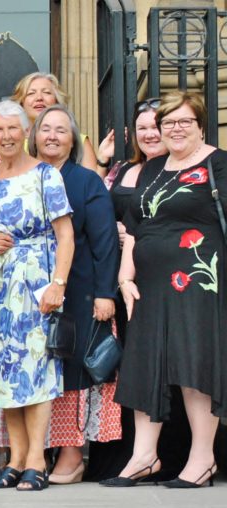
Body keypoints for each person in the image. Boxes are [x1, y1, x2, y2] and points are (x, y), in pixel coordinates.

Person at [104, 91, 227, 489]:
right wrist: (125, 278)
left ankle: (202, 458)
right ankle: (144, 456)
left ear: (201, 125)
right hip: (147, 283)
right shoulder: (155, 167)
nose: (174, 129)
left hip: (198, 277)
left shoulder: (218, 163)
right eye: (168, 123)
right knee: (145, 363)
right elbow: (135, 228)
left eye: (183, 122)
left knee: (193, 365)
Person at [0, 100, 74, 491]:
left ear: (26, 132)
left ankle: (36, 460)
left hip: (35, 286)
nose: (7, 136)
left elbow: (65, 235)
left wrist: (58, 283)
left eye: (14, 129)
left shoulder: (46, 175)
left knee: (36, 371)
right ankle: (15, 458)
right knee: (3, 375)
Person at [88, 98, 190, 482]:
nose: (151, 133)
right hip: (121, 278)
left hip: (167, 276)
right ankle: (132, 455)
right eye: (143, 126)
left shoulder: (184, 168)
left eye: (157, 125)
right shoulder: (122, 169)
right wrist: (100, 163)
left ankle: (176, 458)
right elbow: (91, 206)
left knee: (175, 365)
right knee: (131, 366)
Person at [27, 105, 120, 485]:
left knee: (71, 371)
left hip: (78, 292)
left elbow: (104, 241)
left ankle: (70, 454)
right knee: (33, 371)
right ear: (34, 135)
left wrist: (104, 293)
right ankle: (30, 453)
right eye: (45, 128)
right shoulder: (21, 176)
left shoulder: (86, 181)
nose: (52, 135)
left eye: (61, 130)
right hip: (25, 294)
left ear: (73, 139)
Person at [11, 72, 99, 174]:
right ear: (21, 102)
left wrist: (102, 162)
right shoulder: (11, 142)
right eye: (31, 93)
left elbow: (94, 184)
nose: (39, 98)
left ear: (57, 100)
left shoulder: (79, 141)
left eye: (47, 92)